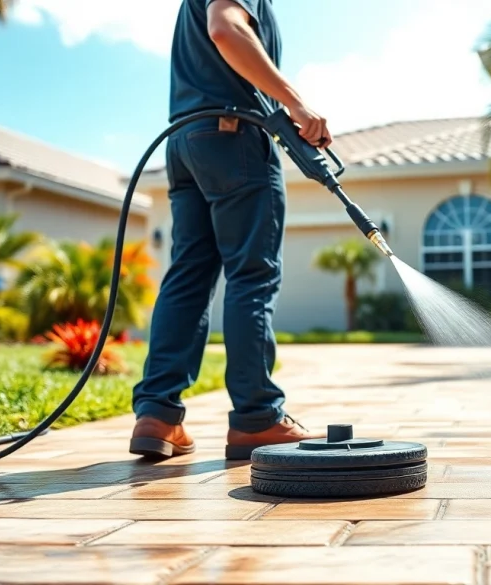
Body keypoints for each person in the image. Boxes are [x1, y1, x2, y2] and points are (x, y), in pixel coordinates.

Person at [129, 0, 331, 460]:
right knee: (252, 274)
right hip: (233, 136)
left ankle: (158, 416)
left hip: (186, 141)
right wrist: (295, 103)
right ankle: (257, 418)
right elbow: (225, 30)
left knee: (190, 276)